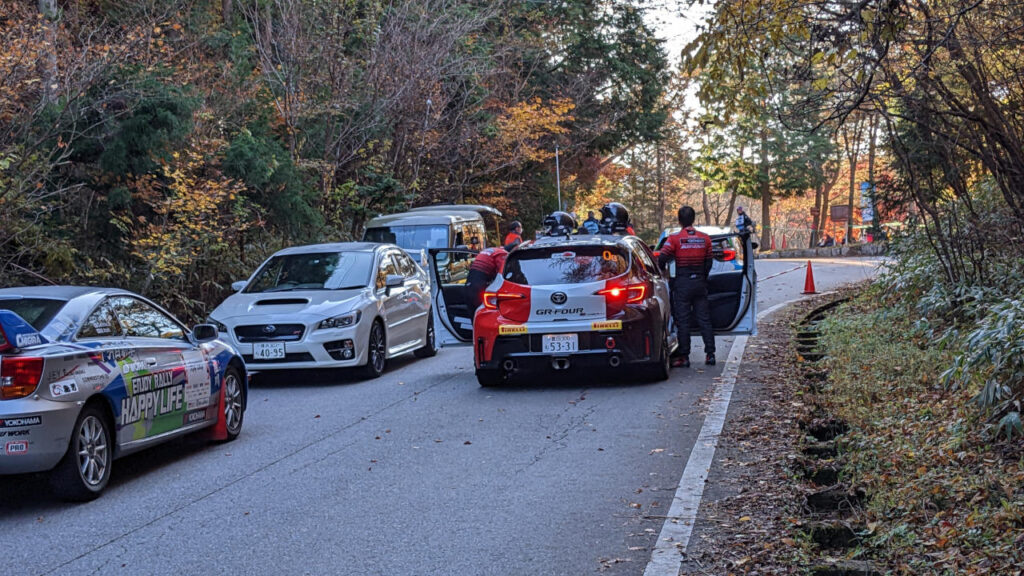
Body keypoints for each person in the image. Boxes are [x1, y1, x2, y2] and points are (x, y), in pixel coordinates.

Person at [658, 205, 715, 368]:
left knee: (683, 321)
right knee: (704, 319)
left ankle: (684, 356)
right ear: (693, 219)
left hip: (682, 283)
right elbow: (709, 262)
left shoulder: (674, 239)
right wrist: (703, 277)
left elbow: (662, 258)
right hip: (700, 282)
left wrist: (663, 272)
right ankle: (710, 354)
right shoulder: (705, 238)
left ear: (679, 220)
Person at [465, 246, 509, 313]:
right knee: (483, 313)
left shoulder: (491, 250)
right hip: (479, 286)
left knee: (473, 313)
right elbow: (503, 273)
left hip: (469, 284)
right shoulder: (503, 254)